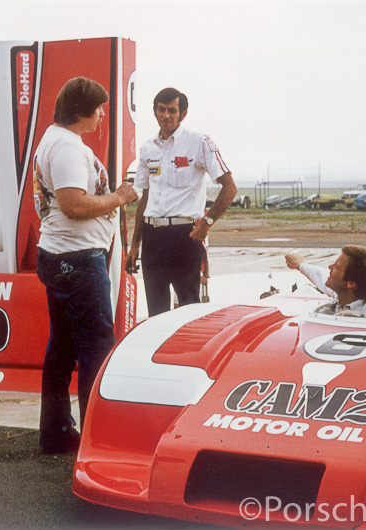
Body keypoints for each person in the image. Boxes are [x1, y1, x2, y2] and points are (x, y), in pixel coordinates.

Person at [33, 77, 138, 453]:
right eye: (98, 108)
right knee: (96, 347)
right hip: (76, 259)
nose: (102, 114)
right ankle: (98, 438)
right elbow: (74, 205)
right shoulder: (66, 148)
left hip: (61, 255)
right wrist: (118, 197)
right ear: (82, 111)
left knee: (62, 347)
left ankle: (57, 432)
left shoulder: (56, 140)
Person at [125, 87, 237, 317]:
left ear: (183, 114)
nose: (166, 115)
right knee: (156, 313)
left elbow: (230, 187)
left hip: (185, 237)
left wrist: (206, 223)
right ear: (154, 112)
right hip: (153, 237)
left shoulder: (199, 142)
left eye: (172, 111)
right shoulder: (147, 149)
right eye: (161, 110)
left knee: (187, 312)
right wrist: (135, 244)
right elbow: (145, 198)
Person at [285, 246, 366, 319]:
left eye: (336, 266)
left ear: (351, 284)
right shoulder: (344, 293)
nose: (329, 267)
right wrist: (299, 265)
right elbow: (321, 276)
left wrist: (364, 319)